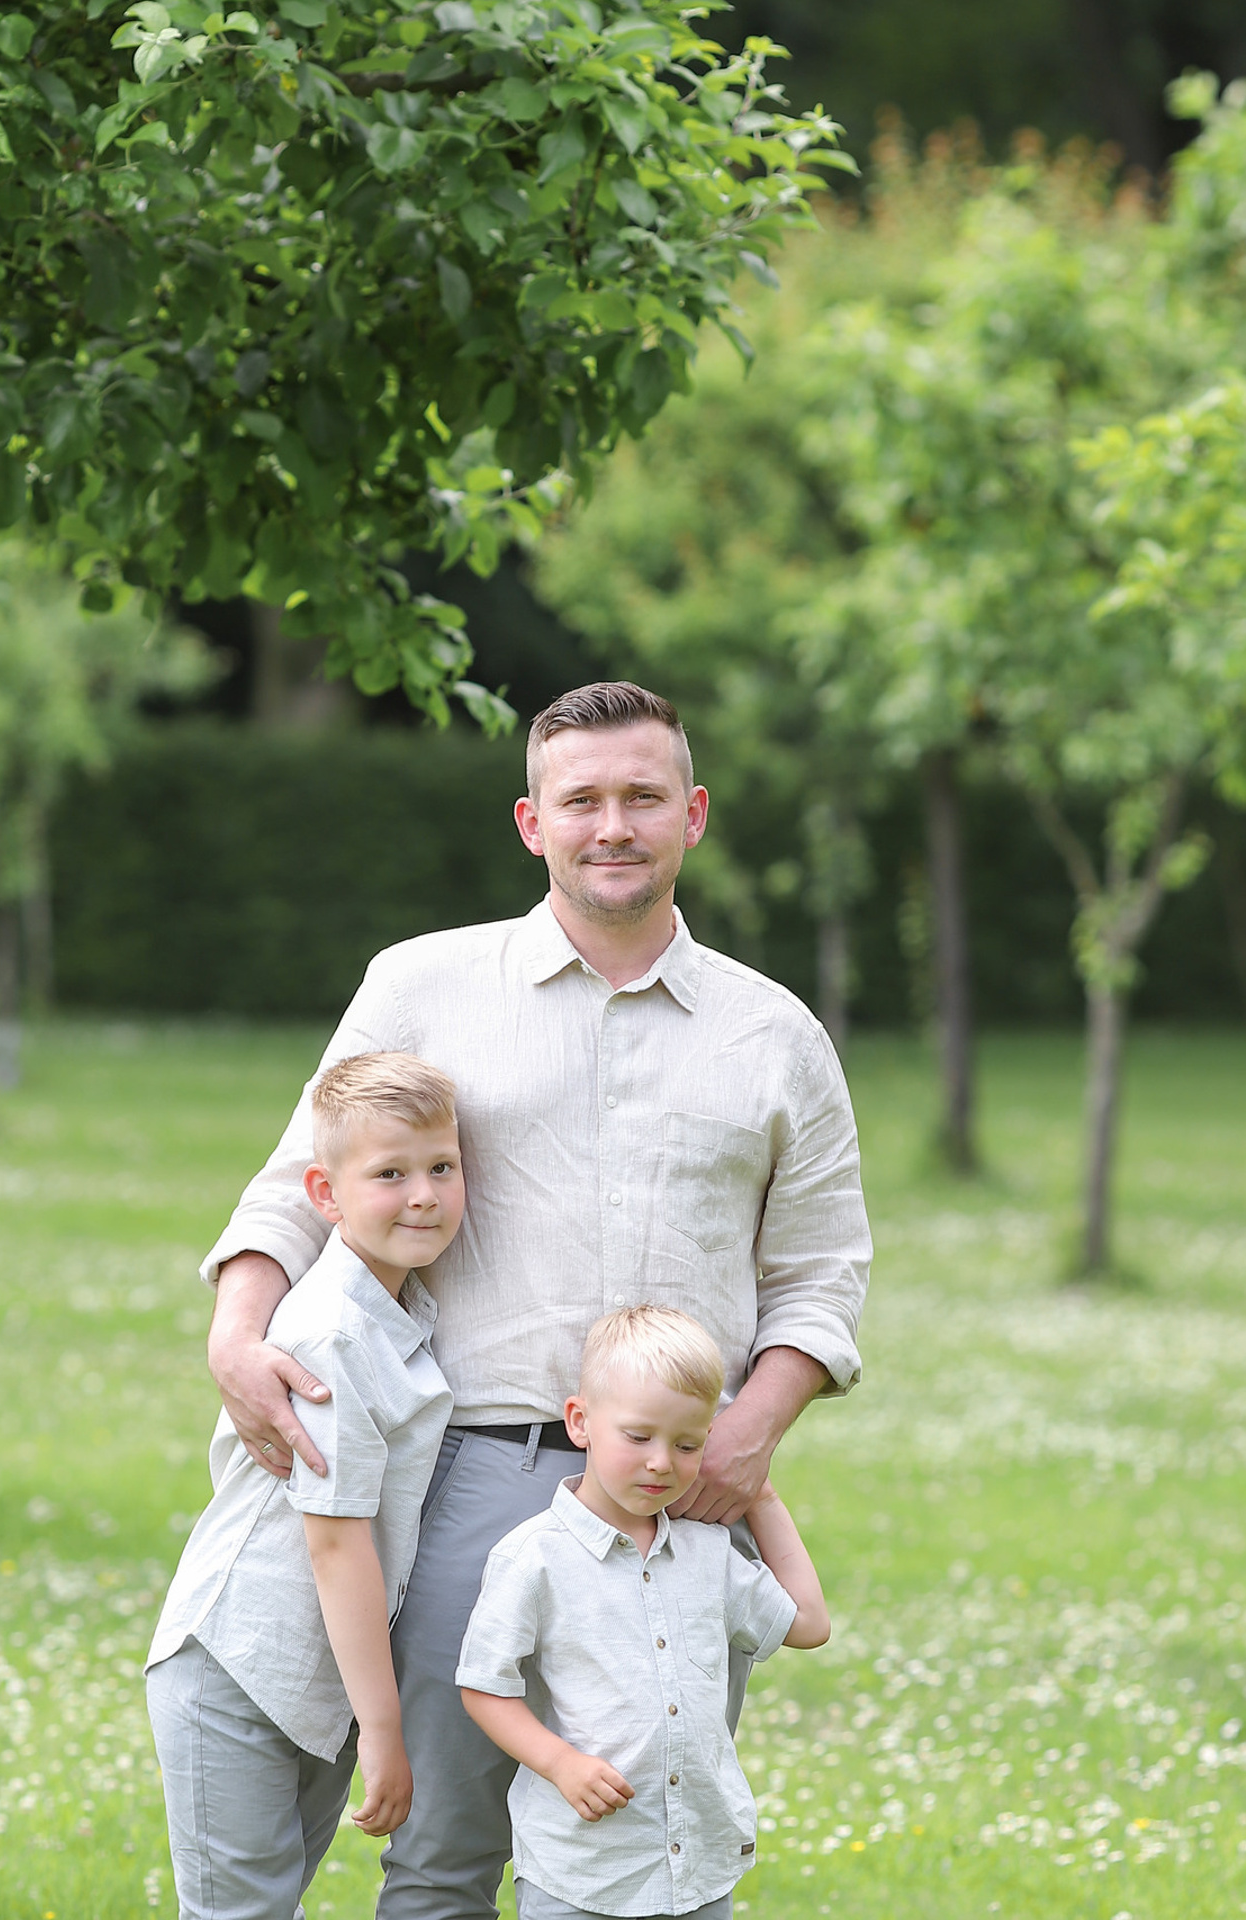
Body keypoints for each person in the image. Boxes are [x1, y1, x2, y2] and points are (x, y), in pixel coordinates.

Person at [202, 680, 873, 1919]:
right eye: (583, 800)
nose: (612, 825)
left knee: (652, 1855)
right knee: (446, 1853)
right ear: (532, 822)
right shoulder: (422, 987)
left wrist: (750, 1432)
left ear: (694, 815)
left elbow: (823, 1274)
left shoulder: (774, 1033)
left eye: (642, 797)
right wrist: (237, 1332)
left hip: (683, 1494)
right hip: (474, 1476)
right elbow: (297, 1187)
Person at [145, 1052, 464, 1920]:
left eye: (442, 1167)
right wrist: (387, 1730)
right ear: (325, 1195)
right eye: (390, 1174)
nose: (424, 1194)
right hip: (239, 1668)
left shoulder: (402, 1306)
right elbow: (334, 1541)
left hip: (316, 1684)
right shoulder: (331, 1333)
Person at [458, 1307, 830, 1920]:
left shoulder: (709, 1554)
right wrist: (561, 1763)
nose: (662, 1462)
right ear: (580, 1421)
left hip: (698, 1869)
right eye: (638, 1437)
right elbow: (483, 1687)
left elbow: (809, 1624)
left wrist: (761, 1494)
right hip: (581, 1871)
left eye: (688, 1444)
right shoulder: (534, 1557)